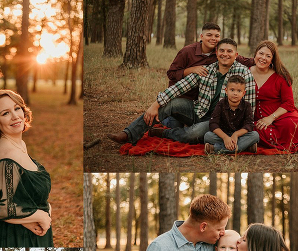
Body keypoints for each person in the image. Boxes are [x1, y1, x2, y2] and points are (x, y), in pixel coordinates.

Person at [108, 38, 256, 147]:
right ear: (216, 52)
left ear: (236, 54)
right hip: (199, 111)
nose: (225, 54)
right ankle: (129, 133)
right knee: (172, 103)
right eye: (222, 50)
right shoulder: (207, 69)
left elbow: (249, 105)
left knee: (193, 134)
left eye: (229, 51)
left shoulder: (244, 74)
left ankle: (163, 133)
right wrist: (155, 104)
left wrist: (234, 131)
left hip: (218, 122)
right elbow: (180, 87)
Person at [0, 90, 52, 247]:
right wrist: (38, 215)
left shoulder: (19, 144)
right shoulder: (7, 154)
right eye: (5, 113)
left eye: (17, 108)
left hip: (32, 233)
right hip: (13, 238)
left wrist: (44, 212)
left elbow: (20, 192)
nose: (15, 116)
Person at [166, 23, 254, 102]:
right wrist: (191, 70)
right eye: (209, 35)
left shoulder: (221, 53)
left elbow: (244, 60)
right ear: (201, 36)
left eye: (217, 36)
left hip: (201, 100)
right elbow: (171, 74)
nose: (213, 39)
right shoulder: (187, 52)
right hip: (182, 96)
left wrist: (264, 60)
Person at [203, 75, 259, 154]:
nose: (235, 93)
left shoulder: (247, 105)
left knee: (255, 135)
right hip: (223, 135)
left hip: (239, 136)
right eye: (232, 90)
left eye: (239, 91)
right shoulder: (221, 104)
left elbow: (249, 124)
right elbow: (213, 124)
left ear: (243, 93)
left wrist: (236, 134)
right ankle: (245, 147)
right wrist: (225, 137)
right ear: (226, 91)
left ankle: (215, 148)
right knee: (208, 136)